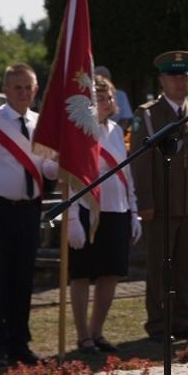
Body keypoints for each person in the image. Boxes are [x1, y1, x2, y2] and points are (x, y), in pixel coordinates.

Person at [0, 63, 59, 367]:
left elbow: (45, 168)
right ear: (5, 90)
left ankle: (20, 344)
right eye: (17, 87)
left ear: (36, 90)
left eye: (28, 87)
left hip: (29, 210)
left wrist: (61, 163)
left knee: (22, 279)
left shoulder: (40, 123)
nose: (23, 93)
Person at [130, 50, 188, 342]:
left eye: (184, 76)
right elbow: (140, 163)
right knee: (159, 266)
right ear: (162, 80)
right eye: (173, 76)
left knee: (187, 266)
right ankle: (157, 323)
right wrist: (146, 202)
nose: (179, 81)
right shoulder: (148, 115)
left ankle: (182, 321)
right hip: (161, 204)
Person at [66, 74, 143, 354]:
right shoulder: (81, 132)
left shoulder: (114, 130)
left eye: (109, 96)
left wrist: (132, 212)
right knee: (82, 275)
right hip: (87, 211)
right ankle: (82, 334)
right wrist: (72, 217)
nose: (107, 101)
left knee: (110, 274)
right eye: (99, 97)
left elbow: (127, 174)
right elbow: (72, 177)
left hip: (117, 211)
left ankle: (98, 332)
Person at [94, 64, 133, 131]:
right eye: (101, 99)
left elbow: (125, 119)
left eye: (110, 98)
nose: (107, 102)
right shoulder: (86, 130)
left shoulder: (117, 131)